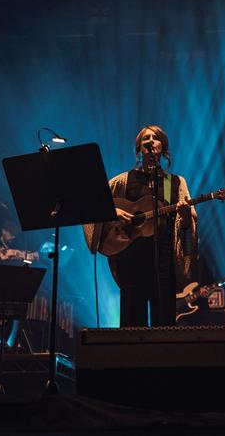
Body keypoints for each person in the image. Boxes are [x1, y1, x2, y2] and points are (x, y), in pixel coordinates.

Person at [84, 125, 198, 327]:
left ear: (163, 148)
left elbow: (188, 225)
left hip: (164, 264)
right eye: (145, 138)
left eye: (155, 138)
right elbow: (93, 204)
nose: (150, 141)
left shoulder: (175, 183)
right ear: (139, 149)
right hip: (131, 263)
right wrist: (114, 212)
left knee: (164, 328)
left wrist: (185, 215)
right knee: (131, 326)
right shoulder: (123, 181)